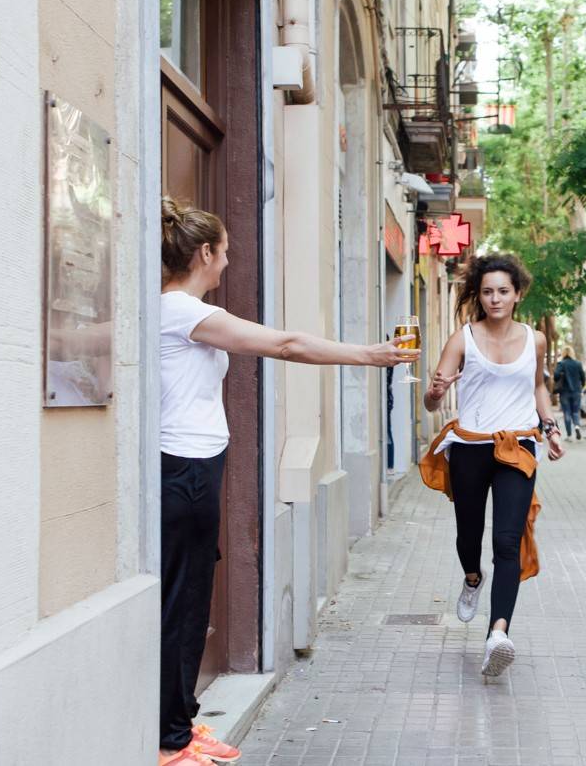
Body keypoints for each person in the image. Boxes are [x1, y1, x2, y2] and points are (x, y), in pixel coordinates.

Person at [158, 198, 417, 766]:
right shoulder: (179, 311)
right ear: (204, 252)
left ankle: (176, 724)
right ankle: (171, 741)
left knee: (190, 597)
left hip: (190, 468)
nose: (227, 263)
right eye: (224, 253)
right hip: (184, 471)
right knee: (183, 602)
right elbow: (285, 344)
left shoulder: (169, 313)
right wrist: (369, 356)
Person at [422, 253, 564, 678]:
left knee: (507, 540)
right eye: (487, 292)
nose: (495, 298)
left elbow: (537, 386)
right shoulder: (462, 338)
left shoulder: (535, 340)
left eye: (503, 291)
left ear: (517, 294)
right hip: (469, 447)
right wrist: (435, 391)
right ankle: (470, 578)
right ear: (479, 296)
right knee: (469, 534)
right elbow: (432, 400)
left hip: (517, 447)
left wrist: (551, 427)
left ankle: (498, 634)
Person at [553, 347, 586, 440]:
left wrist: (561, 374)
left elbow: (555, 376)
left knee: (567, 412)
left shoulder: (561, 364)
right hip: (576, 391)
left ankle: (569, 435)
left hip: (564, 392)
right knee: (575, 412)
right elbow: (583, 377)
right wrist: (582, 386)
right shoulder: (578, 364)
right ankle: (577, 426)